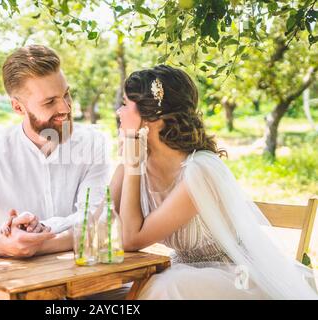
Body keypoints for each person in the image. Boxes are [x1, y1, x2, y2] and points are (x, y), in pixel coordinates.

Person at [111, 64, 318, 299]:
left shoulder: (199, 172)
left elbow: (130, 239)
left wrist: (132, 166)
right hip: (186, 273)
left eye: (126, 104)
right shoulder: (132, 165)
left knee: (165, 288)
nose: (119, 112)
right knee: (111, 292)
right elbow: (95, 222)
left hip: (236, 275)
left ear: (153, 118)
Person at [0, 44, 110, 260]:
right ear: (18, 108)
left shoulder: (93, 143)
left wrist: (40, 234)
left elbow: (98, 219)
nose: (66, 108)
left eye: (66, 95)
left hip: (80, 278)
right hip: (16, 281)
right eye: (50, 102)